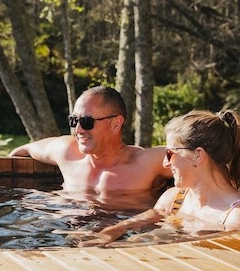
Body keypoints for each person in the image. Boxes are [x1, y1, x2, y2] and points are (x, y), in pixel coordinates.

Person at [85, 109, 240, 245]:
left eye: (170, 154)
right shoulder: (174, 199)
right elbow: (137, 222)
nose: (165, 163)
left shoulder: (239, 218)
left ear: (198, 155)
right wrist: (110, 232)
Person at [9, 86, 171, 206]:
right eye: (74, 121)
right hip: (68, 234)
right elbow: (25, 149)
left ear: (115, 124)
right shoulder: (66, 152)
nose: (78, 130)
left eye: (86, 121)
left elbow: (193, 160)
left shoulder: (146, 163)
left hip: (125, 240)